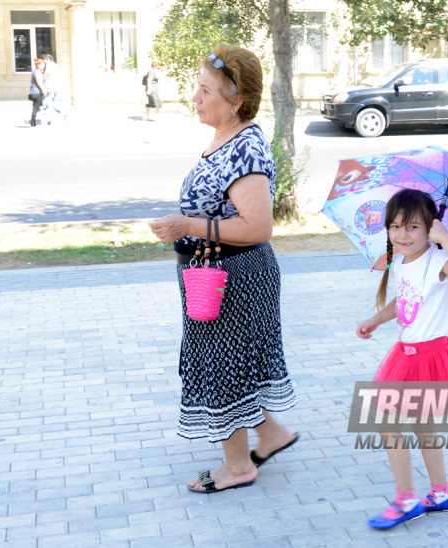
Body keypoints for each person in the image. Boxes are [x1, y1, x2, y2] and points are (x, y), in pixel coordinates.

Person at [148, 44, 298, 493]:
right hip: (213, 277)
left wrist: (186, 224)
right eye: (197, 87)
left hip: (235, 279)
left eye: (205, 90)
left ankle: (238, 467)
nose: (195, 97)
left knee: (220, 368)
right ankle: (270, 433)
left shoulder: (247, 147)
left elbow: (258, 227)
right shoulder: (225, 138)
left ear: (236, 100)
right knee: (226, 365)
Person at [356, 188, 448, 530]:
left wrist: (447, 239)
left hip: (430, 356)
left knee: (386, 421)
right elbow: (405, 300)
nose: (402, 234)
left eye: (412, 227)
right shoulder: (402, 261)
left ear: (429, 228)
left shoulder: (439, 260)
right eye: (395, 226)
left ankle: (406, 499)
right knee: (423, 426)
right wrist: (376, 320)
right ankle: (440, 493)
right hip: (406, 354)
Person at [40, 53, 66, 124]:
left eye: (44, 61)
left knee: (46, 102)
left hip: (50, 86)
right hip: (56, 87)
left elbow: (45, 75)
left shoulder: (49, 65)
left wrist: (41, 76)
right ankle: (62, 113)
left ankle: (49, 119)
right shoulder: (56, 66)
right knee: (50, 102)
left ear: (45, 59)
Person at [28, 58, 47, 127]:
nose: (44, 66)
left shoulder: (37, 71)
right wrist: (44, 91)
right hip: (37, 92)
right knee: (38, 107)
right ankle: (33, 123)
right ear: (38, 65)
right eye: (43, 64)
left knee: (36, 108)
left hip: (34, 92)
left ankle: (33, 123)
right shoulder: (37, 72)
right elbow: (39, 83)